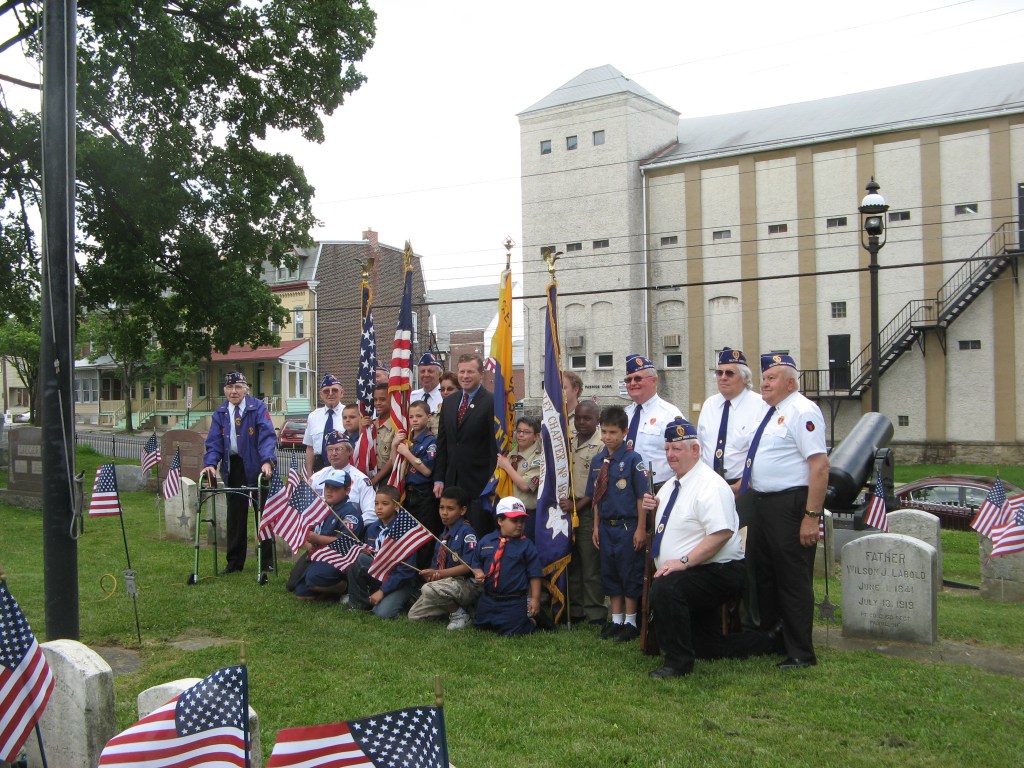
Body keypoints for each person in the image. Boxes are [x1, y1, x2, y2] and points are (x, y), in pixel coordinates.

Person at [643, 418, 776, 678]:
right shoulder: (672, 484)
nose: (670, 455)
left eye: (677, 449)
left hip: (718, 570)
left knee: (668, 588)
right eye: (667, 449)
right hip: (694, 570)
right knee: (707, 646)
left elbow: (722, 532)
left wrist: (683, 561)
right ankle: (769, 642)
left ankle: (677, 663)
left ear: (695, 450)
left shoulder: (710, 485)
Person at [740, 354, 829, 670]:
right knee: (765, 576)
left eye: (772, 377)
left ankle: (801, 652)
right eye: (764, 377)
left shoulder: (802, 411)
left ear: (791, 382)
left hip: (791, 505)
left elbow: (819, 466)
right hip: (763, 504)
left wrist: (811, 516)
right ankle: (774, 636)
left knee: (793, 579)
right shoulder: (772, 413)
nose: (765, 382)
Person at [201, 371, 277, 574]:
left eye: (238, 387)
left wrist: (267, 461)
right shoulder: (221, 413)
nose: (233, 391)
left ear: (246, 389)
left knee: (263, 512)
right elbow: (214, 443)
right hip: (233, 466)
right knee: (235, 515)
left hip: (256, 464)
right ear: (224, 390)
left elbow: (267, 436)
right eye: (229, 387)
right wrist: (210, 463)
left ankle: (267, 560)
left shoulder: (257, 408)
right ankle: (234, 562)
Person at [587, 405, 649, 642]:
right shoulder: (597, 460)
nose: (607, 437)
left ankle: (631, 621)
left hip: (627, 527)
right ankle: (616, 620)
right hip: (605, 526)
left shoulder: (633, 459)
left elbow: (641, 497)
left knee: (629, 572)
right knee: (610, 572)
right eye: (604, 432)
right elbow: (596, 497)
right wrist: (595, 526)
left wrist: (641, 528)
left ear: (624, 432)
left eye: (613, 432)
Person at [433, 353, 498, 536]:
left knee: (477, 534)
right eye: (462, 372)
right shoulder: (449, 402)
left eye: (470, 372)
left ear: (481, 373)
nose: (465, 376)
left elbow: (494, 446)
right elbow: (443, 443)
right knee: (453, 536)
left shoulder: (491, 402)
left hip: (479, 485)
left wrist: (492, 484)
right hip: (452, 482)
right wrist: (439, 478)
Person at [407, 485, 480, 629]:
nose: (444, 513)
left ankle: (460, 615)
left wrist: (439, 574)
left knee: (428, 589)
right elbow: (437, 565)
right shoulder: (443, 535)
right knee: (414, 615)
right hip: (445, 585)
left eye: (450, 509)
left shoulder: (467, 533)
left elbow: (468, 566)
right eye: (441, 508)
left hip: (466, 585)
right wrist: (432, 575)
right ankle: (456, 609)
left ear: (463, 510)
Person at [470, 496, 543, 636]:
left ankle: (532, 620)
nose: (520, 525)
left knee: (513, 632)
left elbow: (535, 574)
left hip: (513, 600)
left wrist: (535, 599)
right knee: (482, 627)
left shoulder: (526, 545)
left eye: (522, 521)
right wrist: (478, 572)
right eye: (514, 520)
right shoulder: (486, 541)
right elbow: (476, 562)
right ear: (500, 520)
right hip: (488, 599)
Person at [562, 400, 606, 625]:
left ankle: (595, 612)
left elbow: (598, 486)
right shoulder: (569, 441)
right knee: (573, 561)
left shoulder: (601, 445)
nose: (581, 422)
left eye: (587, 418)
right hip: (567, 508)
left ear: (597, 420)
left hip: (588, 510)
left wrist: (576, 507)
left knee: (590, 564)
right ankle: (576, 609)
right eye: (578, 417)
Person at [696, 348, 763, 492]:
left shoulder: (761, 405)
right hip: (710, 485)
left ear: (745, 378)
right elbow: (700, 446)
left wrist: (744, 483)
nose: (723, 377)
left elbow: (764, 453)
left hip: (744, 486)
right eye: (719, 373)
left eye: (730, 373)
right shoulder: (709, 404)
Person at [347, 485, 419, 618]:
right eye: (376, 503)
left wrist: (382, 591)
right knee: (357, 557)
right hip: (379, 574)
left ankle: (405, 598)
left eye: (385, 504)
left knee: (383, 614)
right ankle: (359, 603)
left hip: (399, 579)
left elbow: (406, 570)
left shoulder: (405, 531)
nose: (379, 507)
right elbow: (369, 557)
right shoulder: (372, 528)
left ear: (396, 505)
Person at [294, 469, 364, 600]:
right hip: (318, 554)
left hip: (338, 558)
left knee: (314, 579)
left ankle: (344, 586)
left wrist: (318, 539)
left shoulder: (350, 513)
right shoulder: (323, 507)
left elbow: (347, 542)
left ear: (347, 491)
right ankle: (327, 589)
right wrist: (309, 543)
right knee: (299, 592)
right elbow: (309, 530)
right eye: (327, 487)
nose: (329, 491)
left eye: (335, 488)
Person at [392, 399, 442, 568]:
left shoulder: (430, 441)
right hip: (407, 492)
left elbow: (427, 470)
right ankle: (409, 569)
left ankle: (423, 570)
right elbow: (395, 465)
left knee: (424, 534)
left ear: (428, 417)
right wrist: (394, 446)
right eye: (411, 416)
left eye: (419, 416)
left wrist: (408, 453)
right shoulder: (407, 440)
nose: (414, 420)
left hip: (423, 494)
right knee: (407, 533)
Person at [623, 354, 683, 490]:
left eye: (638, 378)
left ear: (654, 380)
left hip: (659, 489)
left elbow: (684, 456)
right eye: (628, 379)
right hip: (626, 491)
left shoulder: (670, 414)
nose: (632, 383)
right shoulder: (625, 414)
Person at [309, 431, 376, 525]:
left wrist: (349, 525)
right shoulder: (317, 477)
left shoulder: (360, 480)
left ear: (350, 451)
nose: (334, 453)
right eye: (330, 449)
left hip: (347, 533)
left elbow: (371, 513)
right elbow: (306, 507)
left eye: (339, 449)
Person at [495, 415, 543, 540]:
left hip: (527, 513)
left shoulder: (538, 459)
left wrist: (507, 466)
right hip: (507, 512)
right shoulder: (511, 453)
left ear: (536, 436)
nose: (521, 435)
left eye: (526, 432)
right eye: (519, 431)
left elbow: (525, 486)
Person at [303, 373, 346, 475]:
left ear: (342, 393)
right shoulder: (313, 416)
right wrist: (309, 475)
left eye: (334, 390)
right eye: (326, 391)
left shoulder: (349, 414)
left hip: (342, 465)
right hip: (319, 466)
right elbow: (310, 448)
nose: (330, 393)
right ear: (321, 395)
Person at [370, 382, 395, 487]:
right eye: (375, 400)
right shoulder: (371, 424)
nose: (377, 403)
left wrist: (375, 479)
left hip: (387, 476)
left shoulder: (395, 426)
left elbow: (392, 459)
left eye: (382, 399)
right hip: (370, 473)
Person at [562, 371, 583, 439]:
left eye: (563, 387)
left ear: (575, 389)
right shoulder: (550, 417)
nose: (559, 391)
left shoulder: (587, 417)